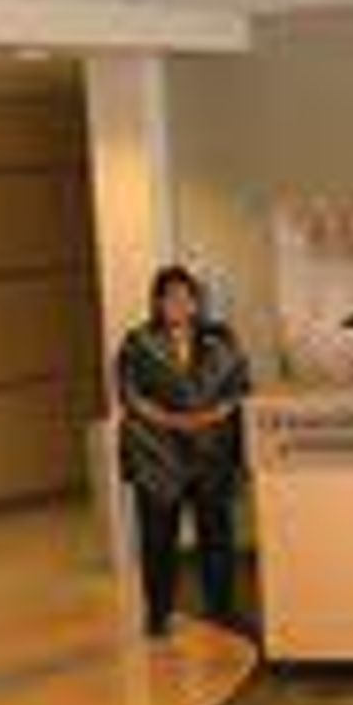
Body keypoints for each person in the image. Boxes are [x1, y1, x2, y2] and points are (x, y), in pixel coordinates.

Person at [112, 265, 252, 637]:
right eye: (170, 297)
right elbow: (130, 395)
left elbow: (240, 388)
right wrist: (175, 422)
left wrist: (210, 416)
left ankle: (221, 608)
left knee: (217, 537)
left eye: (186, 297)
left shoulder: (221, 339)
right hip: (159, 454)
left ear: (196, 301)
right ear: (157, 302)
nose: (179, 304)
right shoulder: (138, 342)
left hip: (211, 453)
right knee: (158, 540)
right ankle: (158, 613)